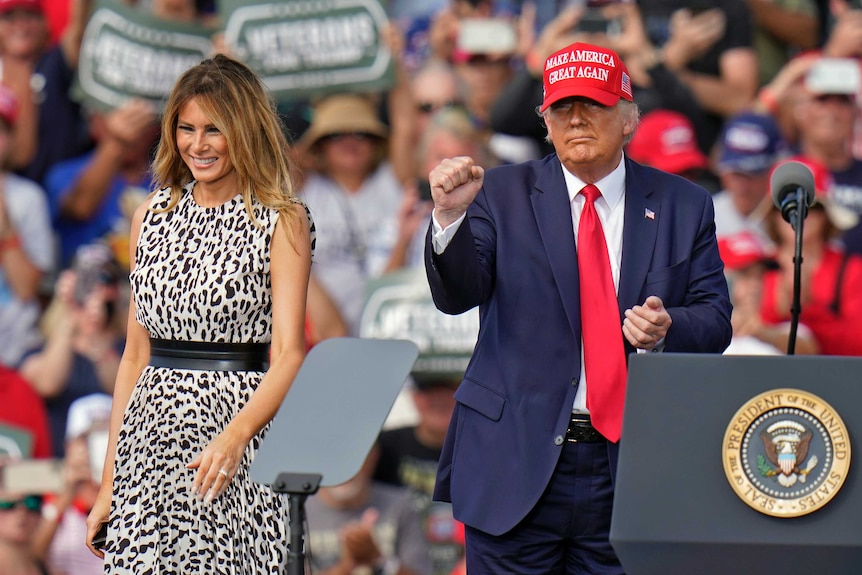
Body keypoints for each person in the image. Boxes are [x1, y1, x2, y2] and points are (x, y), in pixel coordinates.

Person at [424, 41, 732, 573]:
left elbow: (715, 319)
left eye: (593, 104)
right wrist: (449, 220)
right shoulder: (499, 193)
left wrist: (666, 327)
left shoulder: (685, 203)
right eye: (562, 108)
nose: (577, 119)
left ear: (628, 117)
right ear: (545, 122)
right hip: (514, 460)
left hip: (630, 468)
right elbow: (456, 296)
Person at [84, 53, 314, 574]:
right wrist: (108, 485)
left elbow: (289, 354)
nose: (198, 144)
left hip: (239, 440)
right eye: (186, 128)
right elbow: (134, 357)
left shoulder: (283, 219)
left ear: (246, 129)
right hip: (149, 444)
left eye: (215, 129)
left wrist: (234, 439)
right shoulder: (151, 214)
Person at [304, 445, 433, 575]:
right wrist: (348, 566)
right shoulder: (299, 511)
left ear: (373, 457)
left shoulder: (400, 506)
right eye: (335, 457)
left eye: (354, 456)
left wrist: (378, 559)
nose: (345, 469)